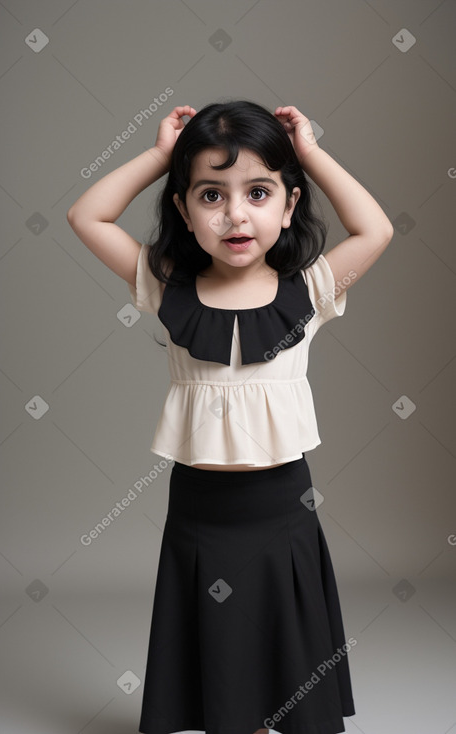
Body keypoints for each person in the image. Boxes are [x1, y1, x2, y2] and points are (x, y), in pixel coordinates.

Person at [67, 101, 394, 734]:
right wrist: (162, 156)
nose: (236, 214)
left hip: (282, 510)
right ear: (185, 212)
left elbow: (376, 230)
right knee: (219, 653)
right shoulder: (169, 287)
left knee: (288, 650)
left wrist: (314, 154)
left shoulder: (312, 291)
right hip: (201, 511)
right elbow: (87, 215)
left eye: (259, 192)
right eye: (211, 194)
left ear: (289, 205)